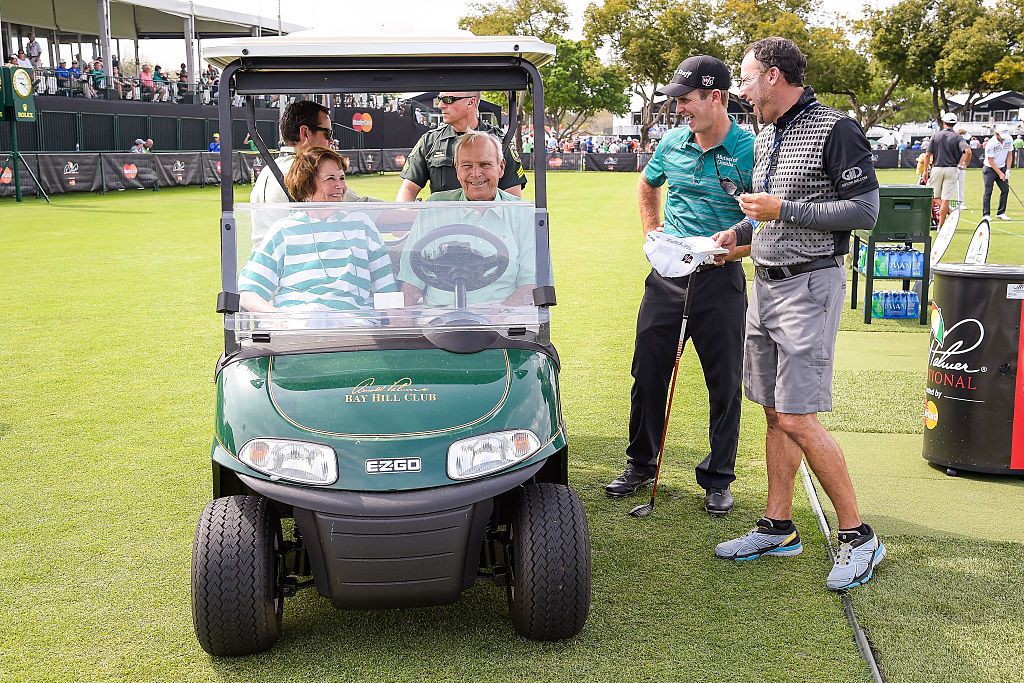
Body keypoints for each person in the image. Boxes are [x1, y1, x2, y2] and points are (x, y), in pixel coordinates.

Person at [712, 37, 885, 591]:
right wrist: (733, 235)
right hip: (764, 284)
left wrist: (784, 209)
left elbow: (865, 210)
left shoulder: (837, 127)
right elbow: (766, 215)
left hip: (811, 285)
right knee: (773, 411)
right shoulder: (765, 133)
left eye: (746, 78)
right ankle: (779, 525)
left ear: (773, 76)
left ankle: (860, 537)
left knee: (796, 416)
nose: (741, 90)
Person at [604, 55, 754, 517]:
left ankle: (718, 477)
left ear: (717, 97)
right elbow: (648, 184)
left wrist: (732, 249)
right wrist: (652, 232)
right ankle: (641, 463)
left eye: (687, 100)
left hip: (721, 278)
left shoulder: (752, 149)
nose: (679, 109)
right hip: (667, 277)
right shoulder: (671, 142)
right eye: (678, 101)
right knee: (648, 371)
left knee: (724, 382)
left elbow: (764, 222)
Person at [239, 146, 398, 318]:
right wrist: (276, 317)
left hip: (354, 327)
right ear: (306, 186)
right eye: (330, 179)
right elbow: (249, 291)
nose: (340, 186)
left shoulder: (361, 224)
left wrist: (394, 318)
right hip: (296, 328)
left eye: (342, 178)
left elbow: (385, 285)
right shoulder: (283, 231)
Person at [398, 130, 534, 308]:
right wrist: (403, 315)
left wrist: (501, 315)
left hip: (501, 321)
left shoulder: (522, 213)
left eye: (484, 164)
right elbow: (412, 278)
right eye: (467, 166)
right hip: (439, 320)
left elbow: (532, 283)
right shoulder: (436, 207)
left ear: (501, 167)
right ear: (457, 169)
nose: (476, 173)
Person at [250, 100, 378, 248]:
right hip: (296, 264)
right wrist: (407, 213)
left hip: (269, 263)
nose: (331, 140)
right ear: (305, 133)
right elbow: (362, 209)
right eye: (327, 133)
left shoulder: (267, 171)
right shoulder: (308, 169)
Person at [396, 91, 526, 201]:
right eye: (440, 99)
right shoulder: (430, 141)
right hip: (443, 225)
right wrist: (404, 217)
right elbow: (408, 188)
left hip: (488, 224)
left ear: (471, 102)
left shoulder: (500, 141)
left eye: (448, 100)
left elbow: (512, 196)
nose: (441, 105)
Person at [922, 112, 971, 227]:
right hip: (952, 169)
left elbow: (927, 154)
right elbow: (968, 151)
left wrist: (925, 171)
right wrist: (965, 165)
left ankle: (950, 214)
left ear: (944, 122)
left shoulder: (936, 135)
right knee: (945, 199)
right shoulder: (958, 137)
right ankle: (942, 225)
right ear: (954, 124)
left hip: (937, 168)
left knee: (933, 196)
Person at [983, 123, 1014, 221]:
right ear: (996, 134)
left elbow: (1009, 155)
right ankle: (986, 214)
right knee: (988, 191)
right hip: (989, 169)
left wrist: (1008, 170)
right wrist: (1000, 173)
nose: (1003, 139)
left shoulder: (1009, 139)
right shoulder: (991, 143)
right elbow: (990, 161)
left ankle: (1001, 212)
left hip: (1002, 167)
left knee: (1005, 189)